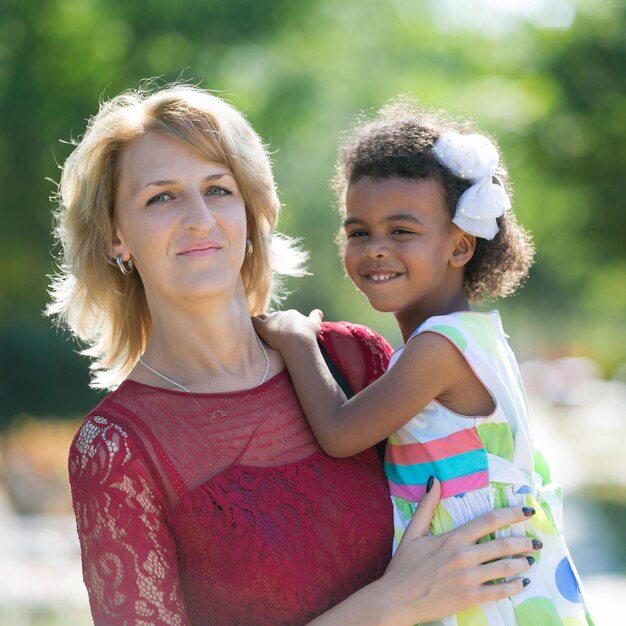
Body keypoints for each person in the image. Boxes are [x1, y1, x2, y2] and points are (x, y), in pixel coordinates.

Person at [47, 84, 537, 626]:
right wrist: (385, 607)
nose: (198, 219)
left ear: (255, 211)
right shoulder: (118, 449)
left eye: (218, 189)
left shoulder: (352, 361)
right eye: (161, 197)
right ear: (117, 236)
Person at [253, 98, 594, 625]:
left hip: (485, 597)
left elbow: (342, 434)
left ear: (459, 248)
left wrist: (297, 339)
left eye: (402, 231)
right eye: (358, 231)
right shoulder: (476, 336)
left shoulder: (439, 349)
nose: (376, 248)